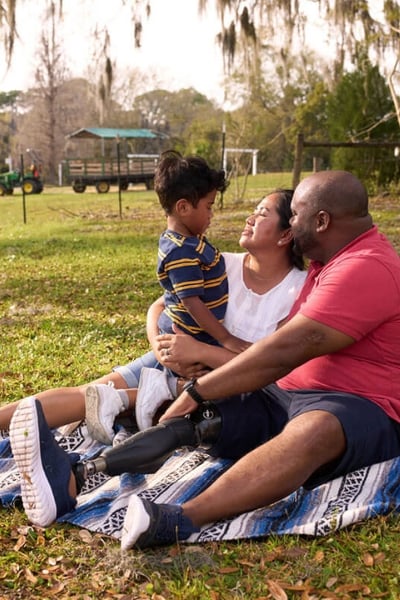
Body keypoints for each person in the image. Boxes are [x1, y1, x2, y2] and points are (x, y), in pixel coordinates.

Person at [7, 189, 307, 528]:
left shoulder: (298, 292)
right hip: (173, 358)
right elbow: (159, 306)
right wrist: (163, 345)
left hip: (214, 382)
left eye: (263, 212)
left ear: (286, 234)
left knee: (110, 399)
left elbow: (273, 367)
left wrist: (202, 352)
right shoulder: (220, 264)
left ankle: (70, 472)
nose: (250, 217)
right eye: (253, 210)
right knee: (90, 391)